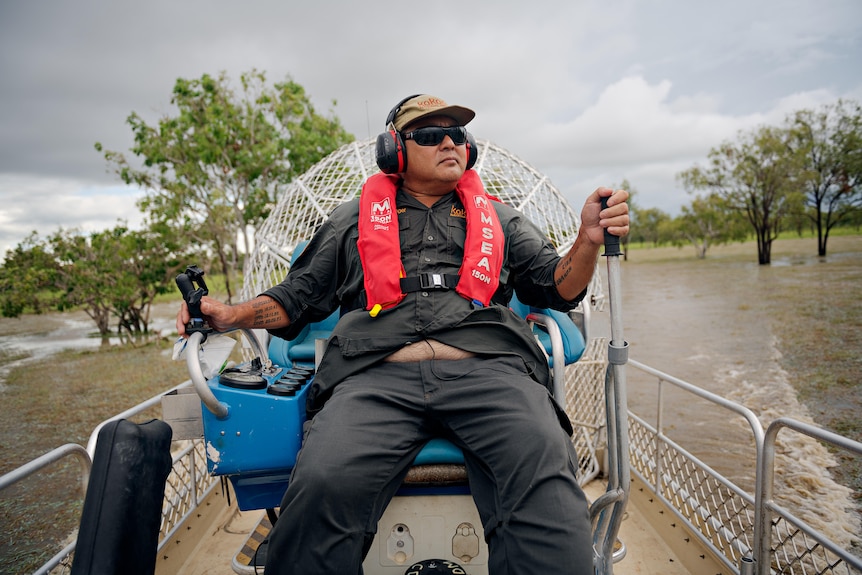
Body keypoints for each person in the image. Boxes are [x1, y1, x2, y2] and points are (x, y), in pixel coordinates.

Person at [177, 94, 629, 575]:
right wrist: (229, 314)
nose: (449, 143)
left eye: (457, 135)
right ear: (395, 149)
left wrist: (587, 240)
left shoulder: (501, 219)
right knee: (321, 481)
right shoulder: (351, 220)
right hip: (373, 380)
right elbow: (295, 299)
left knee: (545, 469)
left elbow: (557, 288)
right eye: (431, 135)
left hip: (491, 374)